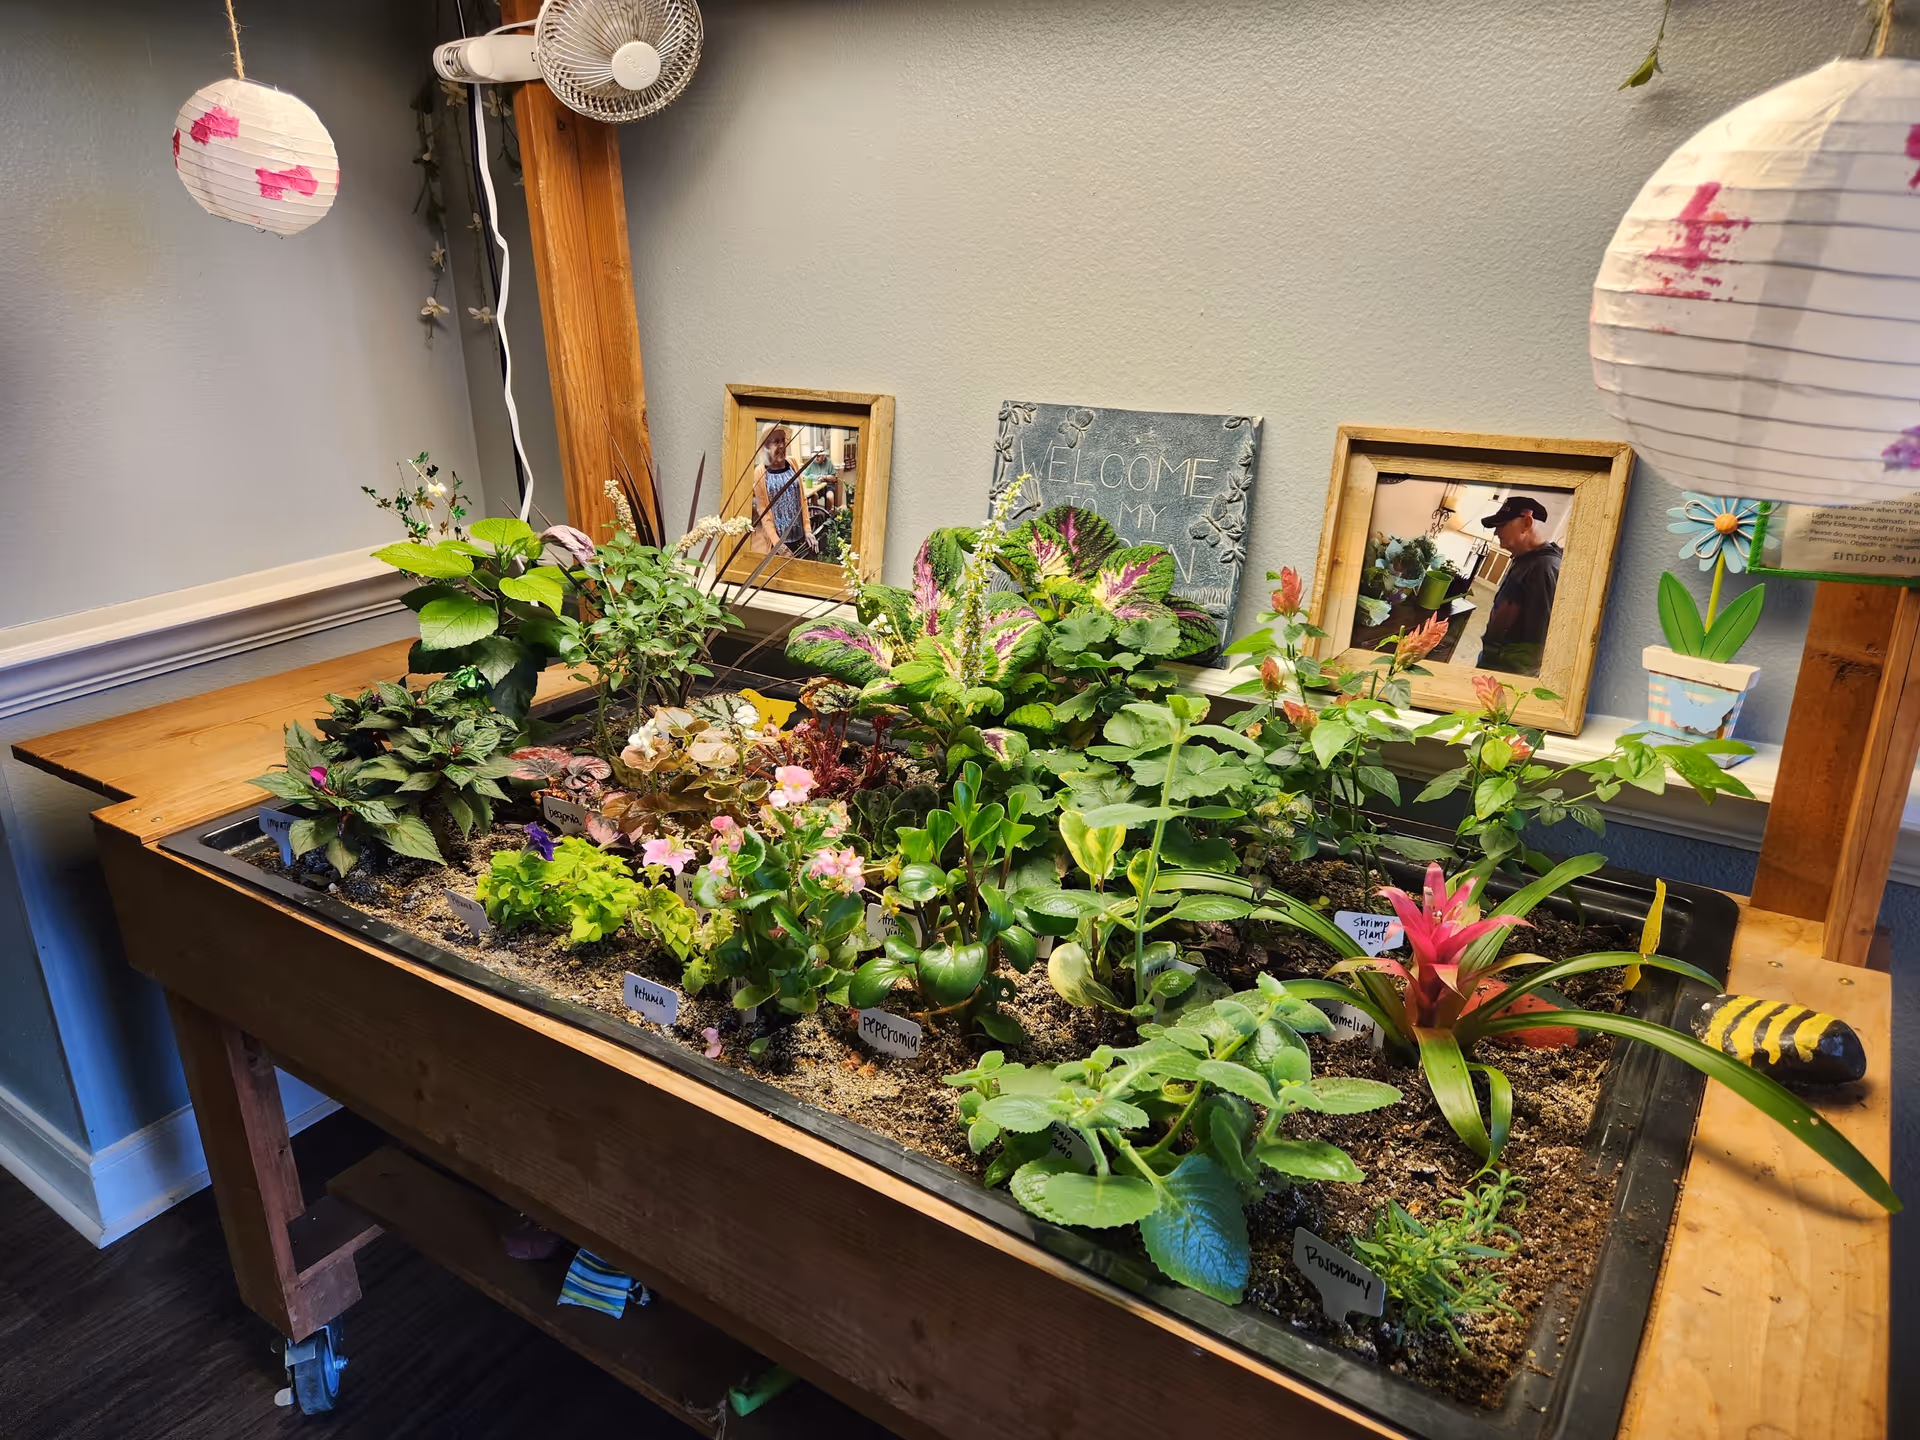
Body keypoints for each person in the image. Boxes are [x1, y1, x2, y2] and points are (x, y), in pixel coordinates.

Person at [1476, 495, 1561, 676]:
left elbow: (1537, 642)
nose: (1496, 532)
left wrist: (1503, 673)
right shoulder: (1525, 558)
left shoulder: (1544, 568)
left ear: (1527, 523)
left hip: (1506, 672)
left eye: (1502, 525)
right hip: (1493, 660)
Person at [751, 425, 815, 556]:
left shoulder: (793, 463)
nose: (781, 445)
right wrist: (777, 543)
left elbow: (802, 499)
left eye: (783, 440)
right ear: (766, 446)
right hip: (780, 543)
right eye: (776, 441)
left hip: (800, 537)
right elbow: (763, 512)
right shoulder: (760, 473)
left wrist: (808, 530)